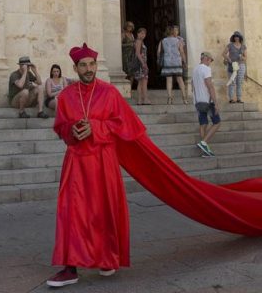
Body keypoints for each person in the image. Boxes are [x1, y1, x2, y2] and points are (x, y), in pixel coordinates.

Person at [46, 43, 147, 288]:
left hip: (104, 161)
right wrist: (71, 130)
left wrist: (97, 127)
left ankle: (106, 258)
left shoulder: (110, 93)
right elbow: (60, 127)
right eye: (83, 65)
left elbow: (126, 125)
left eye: (92, 64)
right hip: (77, 162)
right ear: (75, 68)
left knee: (105, 210)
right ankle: (70, 268)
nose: (89, 69)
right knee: (71, 211)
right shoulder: (67, 96)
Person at [192, 51, 221, 157]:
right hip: (208, 101)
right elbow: (210, 86)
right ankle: (203, 143)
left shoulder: (195, 69)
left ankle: (204, 151)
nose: (210, 63)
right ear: (206, 58)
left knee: (203, 124)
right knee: (217, 122)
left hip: (198, 101)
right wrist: (216, 102)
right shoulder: (206, 69)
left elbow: (192, 85)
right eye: (210, 60)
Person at [157, 25, 188, 105]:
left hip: (167, 62)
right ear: (173, 32)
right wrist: (184, 62)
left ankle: (170, 99)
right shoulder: (178, 41)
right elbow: (181, 52)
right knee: (180, 80)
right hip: (177, 62)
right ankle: (184, 99)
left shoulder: (163, 41)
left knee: (169, 80)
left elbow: (159, 52)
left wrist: (159, 59)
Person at [222, 31, 247, 103]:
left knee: (239, 82)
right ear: (233, 37)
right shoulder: (230, 45)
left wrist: (241, 57)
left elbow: (245, 57)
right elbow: (223, 54)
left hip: (241, 65)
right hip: (232, 65)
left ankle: (239, 98)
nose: (236, 38)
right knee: (232, 82)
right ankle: (231, 98)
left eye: (238, 36)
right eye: (235, 36)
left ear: (240, 38)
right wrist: (229, 59)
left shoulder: (243, 46)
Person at [133, 27, 150, 105]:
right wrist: (143, 63)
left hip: (140, 63)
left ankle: (140, 100)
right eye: (142, 33)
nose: (143, 35)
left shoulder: (140, 41)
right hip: (141, 64)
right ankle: (145, 99)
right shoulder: (139, 41)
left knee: (140, 83)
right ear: (138, 34)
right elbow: (137, 53)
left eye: (144, 34)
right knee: (144, 82)